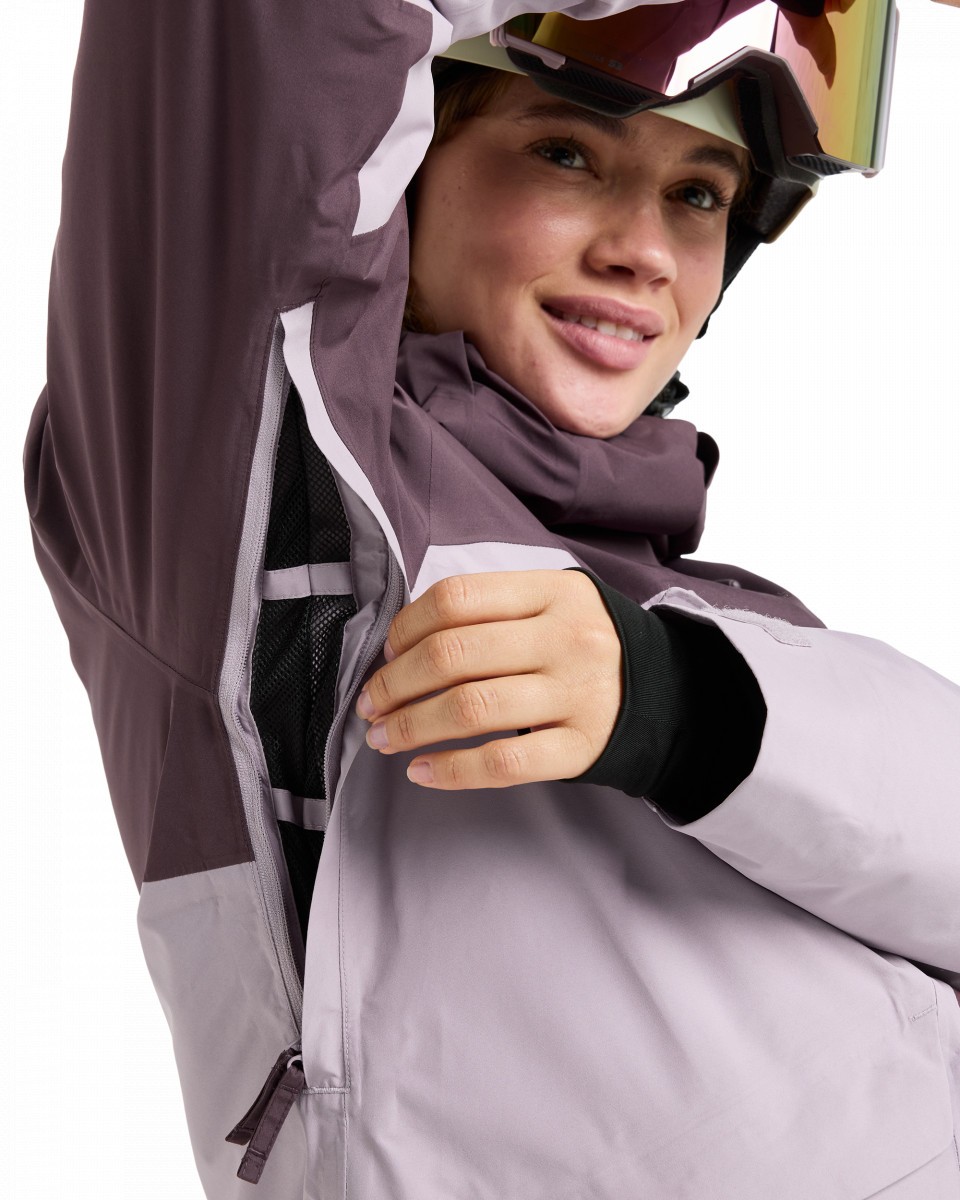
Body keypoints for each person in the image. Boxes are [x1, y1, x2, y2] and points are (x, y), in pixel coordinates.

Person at [22, 2, 960, 1198]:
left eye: (699, 193)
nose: (646, 251)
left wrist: (678, 704)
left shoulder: (718, 610)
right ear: (405, 160)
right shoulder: (265, 487)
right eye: (566, 152)